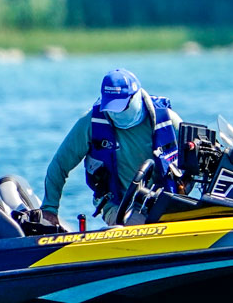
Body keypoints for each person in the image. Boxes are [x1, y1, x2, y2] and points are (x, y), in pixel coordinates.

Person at [43, 69, 182, 226]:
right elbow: (59, 165)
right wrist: (49, 208)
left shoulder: (167, 118)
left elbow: (199, 154)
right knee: (140, 224)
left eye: (121, 106)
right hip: (117, 206)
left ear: (136, 96)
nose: (115, 113)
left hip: (164, 201)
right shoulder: (91, 122)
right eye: (111, 106)